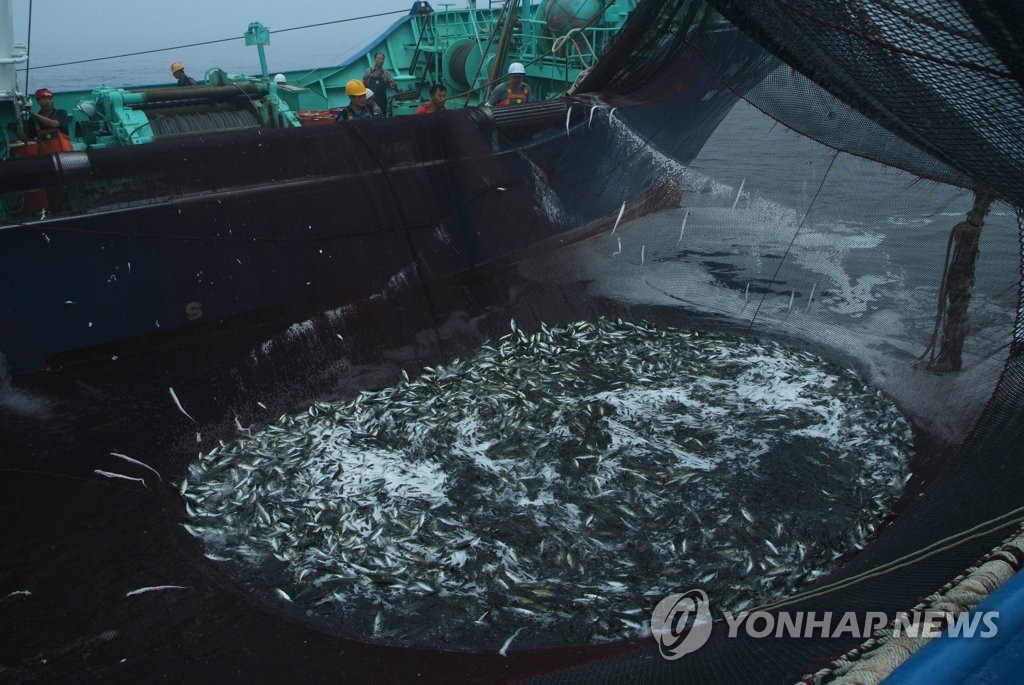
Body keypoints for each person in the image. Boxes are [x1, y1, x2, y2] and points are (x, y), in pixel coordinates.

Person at [15, 88, 72, 153]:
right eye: (44, 99)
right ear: (38, 101)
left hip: (65, 155)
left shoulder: (61, 113)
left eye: (50, 99)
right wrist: (16, 130)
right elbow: (26, 139)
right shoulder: (33, 119)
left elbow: (54, 124)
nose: (48, 101)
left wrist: (35, 114)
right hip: (46, 157)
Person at [363, 52, 397, 117]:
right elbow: (363, 84)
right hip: (370, 101)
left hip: (382, 101)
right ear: (375, 59)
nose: (380, 60)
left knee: (383, 118)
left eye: (382, 59)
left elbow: (392, 83)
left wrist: (393, 85)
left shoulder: (386, 73)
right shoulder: (368, 71)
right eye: (378, 58)